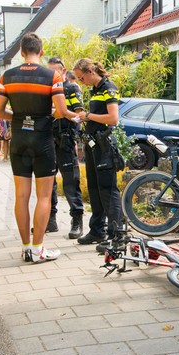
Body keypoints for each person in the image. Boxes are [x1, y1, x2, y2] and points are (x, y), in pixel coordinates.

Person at [0, 32, 80, 263]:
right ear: (40, 52)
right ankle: (39, 248)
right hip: (43, 139)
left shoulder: (7, 76)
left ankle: (25, 248)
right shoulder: (52, 76)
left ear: (22, 53)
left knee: (21, 196)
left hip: (19, 139)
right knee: (43, 196)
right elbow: (61, 112)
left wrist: (20, 117)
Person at [72, 58, 124, 251]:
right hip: (93, 144)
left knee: (108, 190)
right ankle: (97, 230)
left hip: (105, 146)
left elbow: (113, 117)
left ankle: (117, 235)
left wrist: (89, 116)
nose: (81, 82)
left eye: (81, 78)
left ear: (90, 71)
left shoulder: (108, 88)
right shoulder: (95, 90)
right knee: (94, 188)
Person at [45, 57, 85, 238]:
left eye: (56, 70)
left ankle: (77, 220)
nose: (53, 74)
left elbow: (78, 114)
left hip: (65, 140)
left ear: (63, 71)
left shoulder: (71, 88)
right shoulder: (45, 90)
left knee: (70, 181)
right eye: (50, 71)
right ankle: (50, 220)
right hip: (47, 140)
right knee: (48, 182)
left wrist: (59, 112)